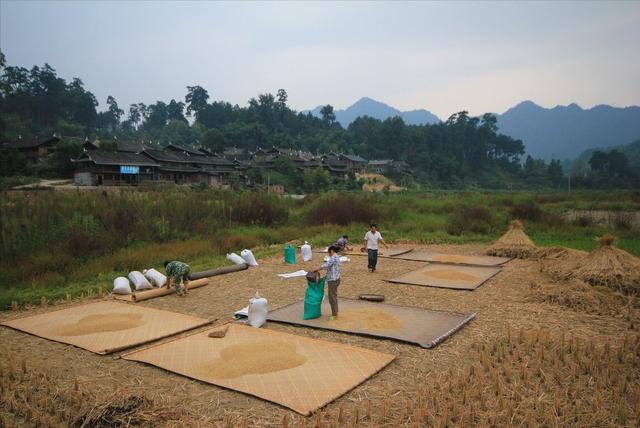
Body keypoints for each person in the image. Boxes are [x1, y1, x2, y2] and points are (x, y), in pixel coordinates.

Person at [315, 245, 341, 320]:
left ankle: (334, 314)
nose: (328, 254)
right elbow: (331, 268)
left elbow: (326, 265)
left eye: (329, 252)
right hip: (335, 278)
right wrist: (326, 277)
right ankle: (336, 311)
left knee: (332, 297)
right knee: (334, 296)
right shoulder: (336, 256)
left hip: (333, 280)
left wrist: (316, 269)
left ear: (331, 251)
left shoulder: (333, 257)